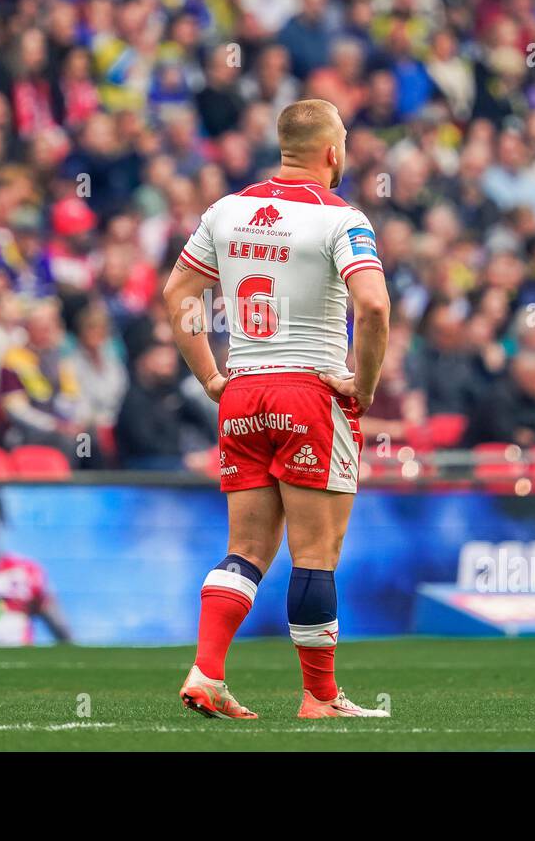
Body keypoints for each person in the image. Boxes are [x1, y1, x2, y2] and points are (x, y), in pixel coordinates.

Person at [163, 98, 391, 720]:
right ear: (333, 152)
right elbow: (372, 306)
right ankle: (320, 698)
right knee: (315, 553)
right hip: (310, 391)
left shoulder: (226, 211)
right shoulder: (343, 219)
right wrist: (362, 384)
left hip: (242, 393)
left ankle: (207, 671)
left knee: (247, 550)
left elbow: (179, 292)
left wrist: (210, 376)